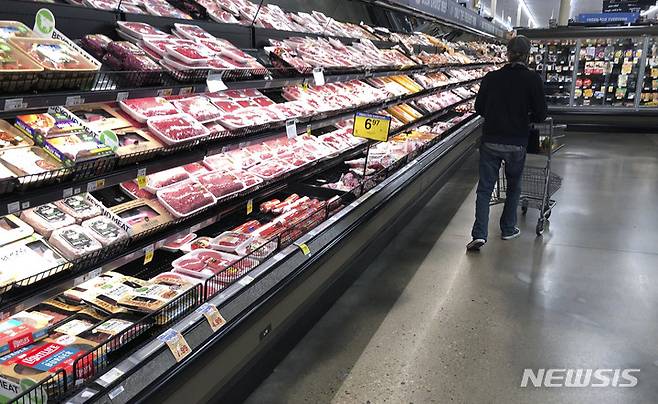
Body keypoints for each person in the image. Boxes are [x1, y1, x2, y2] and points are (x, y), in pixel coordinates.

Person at [466, 35, 548, 251]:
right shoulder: (533, 79)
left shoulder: (491, 77)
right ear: (528, 55)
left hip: (491, 140)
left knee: (484, 189)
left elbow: (479, 108)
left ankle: (479, 234)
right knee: (513, 187)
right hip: (517, 141)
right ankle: (508, 229)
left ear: (507, 54)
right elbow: (541, 114)